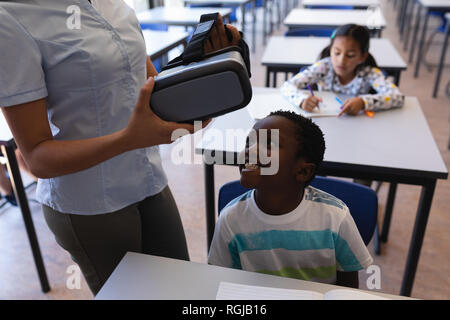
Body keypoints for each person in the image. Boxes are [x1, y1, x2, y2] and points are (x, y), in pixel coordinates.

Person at [0, 0, 242, 295]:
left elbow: (150, 87)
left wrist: (201, 66)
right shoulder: (11, 15)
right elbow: (37, 157)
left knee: (182, 291)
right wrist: (129, 139)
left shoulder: (110, 3)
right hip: (89, 203)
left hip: (148, 177)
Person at [208, 111, 373, 288]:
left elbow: (347, 290)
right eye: (250, 142)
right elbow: (219, 281)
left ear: (302, 171)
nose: (250, 150)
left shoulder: (335, 218)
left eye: (269, 144)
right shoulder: (231, 219)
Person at [281, 24, 404, 116]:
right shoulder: (324, 67)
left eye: (350, 55)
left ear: (362, 57)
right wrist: (302, 100)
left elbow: (398, 97)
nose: (341, 60)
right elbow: (287, 86)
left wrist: (363, 103)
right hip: (325, 124)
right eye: (337, 53)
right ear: (330, 50)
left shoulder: (368, 73)